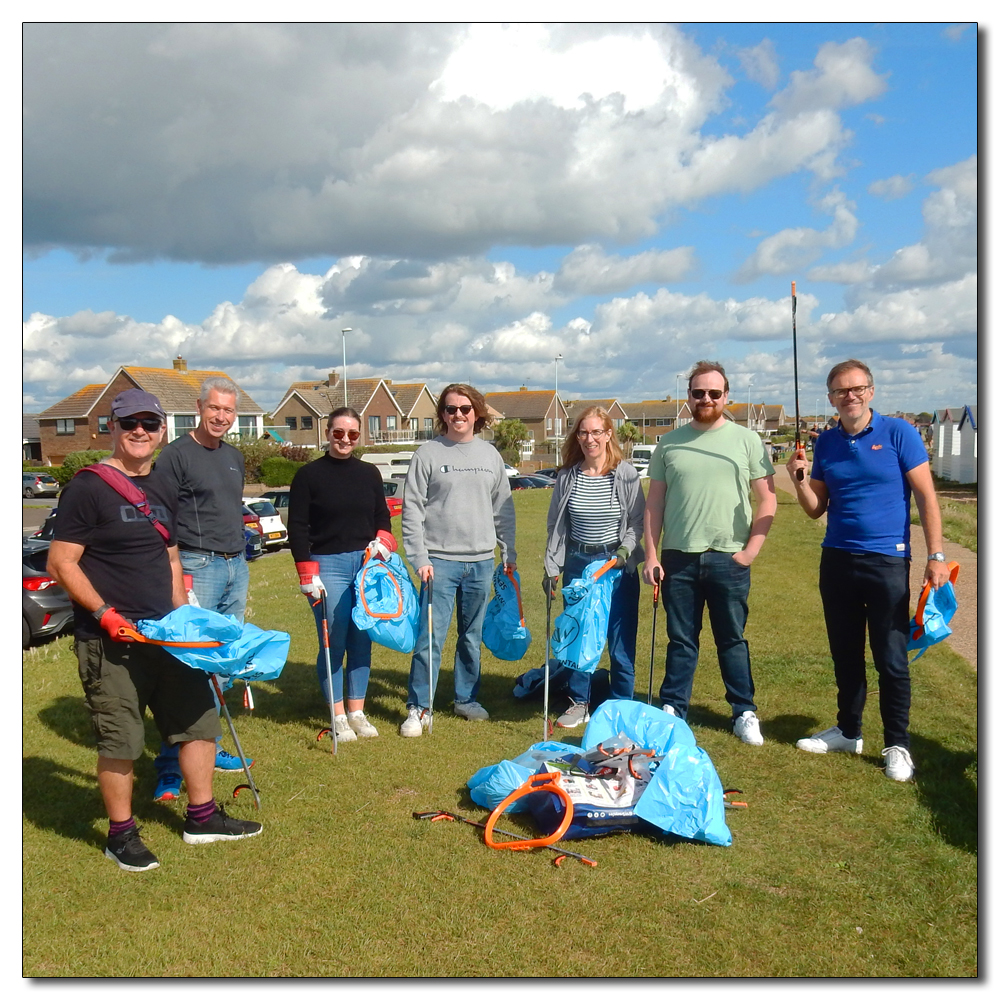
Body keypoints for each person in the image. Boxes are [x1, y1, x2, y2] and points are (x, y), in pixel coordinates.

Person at [47, 388, 262, 872]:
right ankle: (120, 836)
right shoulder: (88, 487)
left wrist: (183, 616)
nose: (140, 431)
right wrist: (106, 614)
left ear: (162, 429)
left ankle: (201, 816)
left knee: (198, 723)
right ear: (113, 429)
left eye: (149, 423)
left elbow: (169, 554)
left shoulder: (162, 485)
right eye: (130, 423)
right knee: (121, 740)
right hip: (111, 639)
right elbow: (62, 562)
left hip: (167, 633)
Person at [786, 360, 950, 781]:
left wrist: (935, 555)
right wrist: (800, 480)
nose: (850, 396)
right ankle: (848, 730)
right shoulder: (826, 444)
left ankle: (897, 744)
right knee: (845, 654)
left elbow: (927, 498)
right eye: (841, 391)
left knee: (891, 659)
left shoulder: (899, 433)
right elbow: (815, 509)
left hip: (887, 561)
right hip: (837, 559)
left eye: (858, 389)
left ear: (871, 392)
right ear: (831, 398)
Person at [643, 361, 777, 745]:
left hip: (729, 557)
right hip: (678, 558)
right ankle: (673, 710)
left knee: (731, 638)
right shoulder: (669, 443)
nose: (706, 399)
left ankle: (744, 711)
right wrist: (652, 555)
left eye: (714, 393)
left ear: (726, 396)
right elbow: (654, 503)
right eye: (699, 392)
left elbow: (767, 499)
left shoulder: (747, 441)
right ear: (689, 396)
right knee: (681, 639)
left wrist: (750, 551)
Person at [148, 377, 253, 801]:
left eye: (229, 411)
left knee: (221, 664)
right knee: (185, 668)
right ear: (199, 407)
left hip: (235, 567)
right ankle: (170, 769)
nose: (222, 418)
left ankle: (210, 747)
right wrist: (179, 578)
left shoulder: (233, 456)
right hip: (196, 565)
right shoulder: (175, 456)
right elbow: (160, 518)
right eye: (215, 409)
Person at [399, 383, 517, 737]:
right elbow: (412, 510)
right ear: (443, 415)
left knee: (471, 636)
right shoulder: (428, 454)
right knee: (429, 638)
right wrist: (419, 557)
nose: (458, 415)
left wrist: (508, 551)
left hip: (481, 562)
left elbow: (503, 509)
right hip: (439, 563)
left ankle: (466, 698)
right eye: (451, 409)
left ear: (476, 413)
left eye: (465, 409)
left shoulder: (490, 455)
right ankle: (419, 708)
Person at [288, 406, 396, 742]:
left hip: (365, 564)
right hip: (327, 565)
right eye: (338, 433)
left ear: (359, 436)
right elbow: (298, 527)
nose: (345, 440)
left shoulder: (369, 474)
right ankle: (337, 715)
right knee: (333, 640)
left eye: (352, 434)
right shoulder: (308, 475)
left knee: (362, 637)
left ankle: (357, 711)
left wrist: (383, 542)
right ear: (327, 434)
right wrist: (307, 573)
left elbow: (383, 516)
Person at [542, 406, 644, 727]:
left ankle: (621, 706)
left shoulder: (625, 473)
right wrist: (552, 568)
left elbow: (637, 521)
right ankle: (579, 702)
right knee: (580, 635)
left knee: (619, 638)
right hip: (578, 563)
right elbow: (557, 527)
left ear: (608, 434)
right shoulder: (567, 476)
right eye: (584, 433)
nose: (589, 439)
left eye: (596, 432)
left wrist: (625, 551)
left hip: (617, 564)